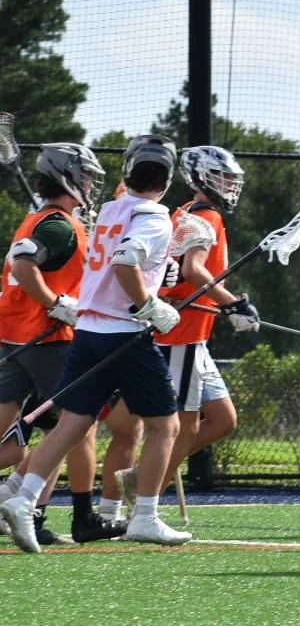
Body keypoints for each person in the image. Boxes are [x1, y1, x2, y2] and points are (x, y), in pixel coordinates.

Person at [0, 135, 189, 551]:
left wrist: (161, 273)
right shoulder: (155, 216)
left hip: (88, 330)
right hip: (123, 334)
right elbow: (125, 262)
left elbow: (116, 261)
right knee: (166, 426)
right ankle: (145, 517)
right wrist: (150, 305)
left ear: (127, 172)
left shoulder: (110, 210)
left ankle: (22, 499)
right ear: (168, 178)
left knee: (72, 423)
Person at [109, 146, 258, 516]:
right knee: (183, 428)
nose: (230, 184)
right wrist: (233, 304)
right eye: (223, 177)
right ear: (201, 178)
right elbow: (194, 269)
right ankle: (145, 503)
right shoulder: (205, 215)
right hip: (183, 335)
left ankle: (141, 477)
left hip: (193, 336)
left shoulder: (185, 212)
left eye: (231, 178)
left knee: (222, 420)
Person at [0, 143, 115, 544]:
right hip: (47, 340)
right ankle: (57, 514)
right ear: (68, 177)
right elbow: (23, 265)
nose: (91, 185)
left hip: (15, 336)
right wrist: (55, 303)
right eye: (87, 177)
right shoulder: (58, 225)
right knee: (77, 424)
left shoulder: (41, 219)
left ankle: (23, 502)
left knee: (13, 437)